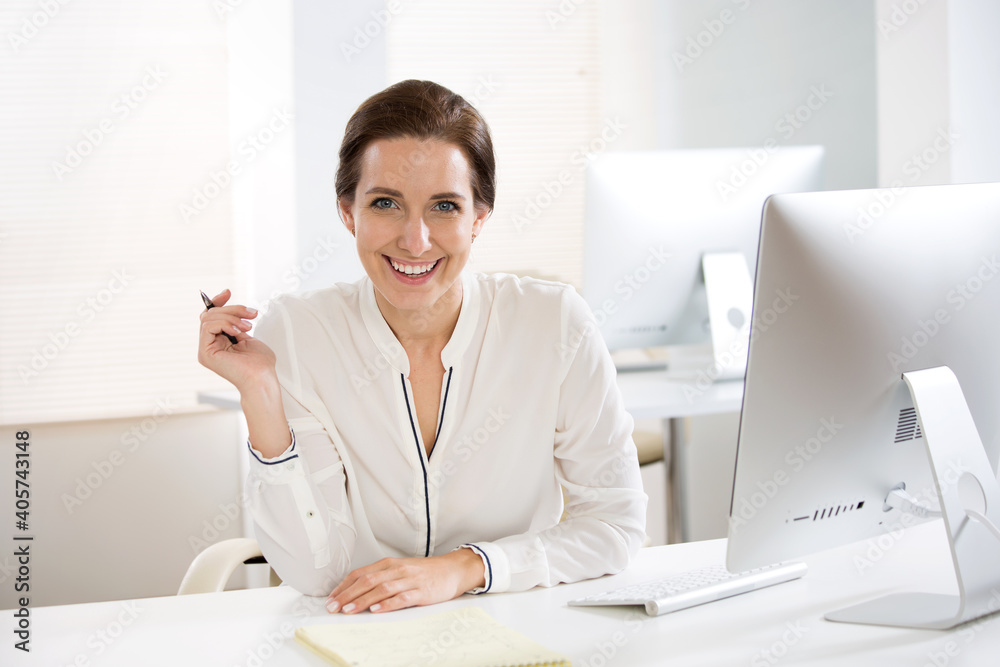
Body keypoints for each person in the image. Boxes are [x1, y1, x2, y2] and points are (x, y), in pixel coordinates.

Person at [197, 79, 647, 615]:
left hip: (516, 623)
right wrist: (261, 394)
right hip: (356, 630)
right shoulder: (297, 333)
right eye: (386, 203)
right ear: (348, 213)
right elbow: (317, 573)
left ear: (478, 218)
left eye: (444, 206)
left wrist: (464, 568)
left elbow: (614, 525)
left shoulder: (554, 324)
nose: (415, 241)